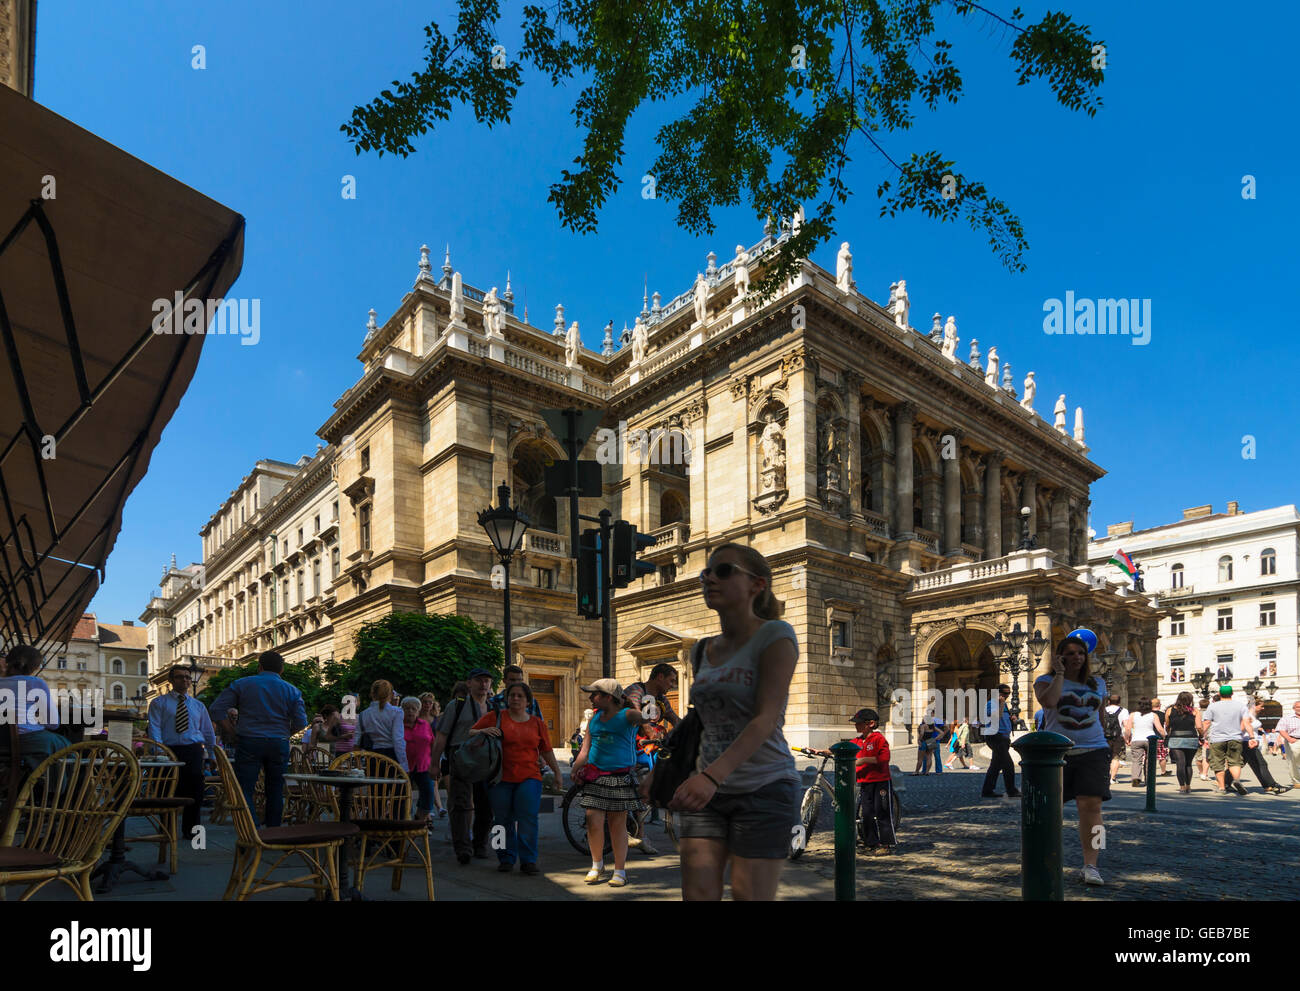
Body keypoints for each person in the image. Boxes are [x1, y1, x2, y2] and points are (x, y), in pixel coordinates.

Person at [661, 542, 800, 902]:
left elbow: (766, 718)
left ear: (757, 584)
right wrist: (669, 768)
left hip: (764, 787)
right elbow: (700, 720)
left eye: (723, 571)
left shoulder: (776, 635)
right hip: (706, 791)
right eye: (706, 571)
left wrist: (711, 776)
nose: (709, 577)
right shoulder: (701, 649)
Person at [1033, 634, 1110, 886]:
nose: (1076, 657)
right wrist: (1059, 674)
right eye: (1070, 653)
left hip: (1094, 750)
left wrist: (1111, 743)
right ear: (1060, 657)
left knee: (1093, 809)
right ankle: (1043, 857)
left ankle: (1093, 864)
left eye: (1080, 653)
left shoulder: (1098, 683)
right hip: (1057, 753)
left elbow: (1099, 715)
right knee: (1049, 809)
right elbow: (1050, 702)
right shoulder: (1044, 681)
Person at [470, 682, 562, 874]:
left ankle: (528, 860)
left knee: (528, 818)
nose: (515, 698)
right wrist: (483, 731)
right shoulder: (495, 717)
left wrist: (557, 773)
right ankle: (504, 857)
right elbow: (470, 732)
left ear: (528, 701)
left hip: (529, 777)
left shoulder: (537, 723)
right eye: (512, 695)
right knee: (500, 820)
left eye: (520, 696)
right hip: (499, 778)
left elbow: (546, 750)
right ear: (507, 698)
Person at [209, 651, 308, 827]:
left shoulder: (242, 684)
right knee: (276, 789)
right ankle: (273, 830)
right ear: (282, 669)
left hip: (249, 740)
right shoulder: (292, 690)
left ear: (259, 667)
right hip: (278, 742)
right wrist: (286, 733)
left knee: (245, 788)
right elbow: (301, 722)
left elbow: (216, 709)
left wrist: (232, 731)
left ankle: (252, 827)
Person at [571, 679, 648, 887]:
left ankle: (620, 870)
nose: (590, 697)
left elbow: (649, 718)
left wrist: (648, 703)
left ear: (608, 697)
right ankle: (597, 865)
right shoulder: (595, 718)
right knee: (592, 822)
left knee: (617, 825)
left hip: (619, 777)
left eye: (594, 694)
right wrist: (575, 767)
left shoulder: (627, 715)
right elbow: (585, 749)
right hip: (595, 777)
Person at [430, 669, 495, 864]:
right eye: (478, 681)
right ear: (469, 684)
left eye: (486, 681)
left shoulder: (493, 708)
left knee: (487, 805)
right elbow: (442, 735)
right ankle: (463, 848)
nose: (483, 684)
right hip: (460, 757)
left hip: (485, 760)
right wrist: (435, 764)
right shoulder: (456, 705)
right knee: (461, 804)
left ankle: (480, 844)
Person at [147, 664, 216, 840]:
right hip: (168, 751)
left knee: (195, 791)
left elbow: (208, 731)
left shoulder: (198, 705)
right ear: (171, 680)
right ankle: (166, 829)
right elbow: (154, 728)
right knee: (166, 790)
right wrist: (159, 751)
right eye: (179, 677)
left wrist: (212, 753)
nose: (185, 680)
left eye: (187, 677)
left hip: (192, 751)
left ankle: (192, 832)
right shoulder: (159, 703)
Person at [0, 644, 69, 764]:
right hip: (26, 741)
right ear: (34, 667)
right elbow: (53, 723)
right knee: (66, 747)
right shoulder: (35, 683)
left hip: (3, 742)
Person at [850, 708, 895, 855]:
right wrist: (822, 751)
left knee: (882, 812)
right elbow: (841, 749)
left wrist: (863, 760)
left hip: (881, 781)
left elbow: (884, 758)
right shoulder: (857, 741)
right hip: (865, 782)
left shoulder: (878, 739)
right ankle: (871, 842)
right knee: (867, 814)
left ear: (870, 723)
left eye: (859, 723)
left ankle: (886, 844)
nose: (856, 726)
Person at [1197, 685, 1252, 797]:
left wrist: (1202, 736)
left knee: (1218, 763)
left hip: (1217, 739)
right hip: (1235, 738)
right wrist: (1252, 737)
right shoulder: (1241, 706)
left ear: (1219, 694)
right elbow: (1246, 722)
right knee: (1235, 761)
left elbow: (1206, 723)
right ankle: (1236, 780)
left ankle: (1222, 787)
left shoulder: (1212, 707)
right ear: (1232, 694)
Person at [1241, 696, 1289, 795]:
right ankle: (1274, 786)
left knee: (1246, 764)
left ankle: (1266, 785)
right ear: (1254, 705)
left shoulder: (1252, 715)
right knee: (1262, 764)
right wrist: (1249, 738)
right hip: (1247, 742)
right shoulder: (1248, 715)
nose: (1263, 708)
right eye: (1261, 706)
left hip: (1249, 742)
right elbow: (1241, 729)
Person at [357, 679, 407, 770]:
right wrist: (404, 764)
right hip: (391, 756)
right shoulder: (396, 712)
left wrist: (357, 764)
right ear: (390, 694)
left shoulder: (363, 714)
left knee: (375, 783)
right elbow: (398, 740)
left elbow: (356, 741)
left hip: (371, 756)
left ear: (372, 694)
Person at [980, 685, 1020, 798]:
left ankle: (987, 791)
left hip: (1003, 737)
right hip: (995, 737)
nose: (1006, 696)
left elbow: (1003, 718)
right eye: (1004, 693)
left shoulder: (1004, 705)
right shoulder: (991, 704)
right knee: (1008, 765)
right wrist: (1001, 703)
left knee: (995, 766)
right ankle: (1011, 790)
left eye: (1008, 693)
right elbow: (996, 717)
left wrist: (1012, 719)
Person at [402, 697, 435, 820]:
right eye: (407, 708)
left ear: (418, 711)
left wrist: (435, 762)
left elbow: (432, 742)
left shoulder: (425, 724)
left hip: (424, 764)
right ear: (402, 710)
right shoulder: (398, 725)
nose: (410, 711)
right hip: (404, 766)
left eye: (413, 709)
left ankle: (419, 819)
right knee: (403, 796)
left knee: (428, 794)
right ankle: (405, 821)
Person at [1163, 691, 1200, 794]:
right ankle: (1188, 786)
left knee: (1180, 763)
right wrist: (1201, 736)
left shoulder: (1170, 710)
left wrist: (1169, 732)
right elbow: (1199, 726)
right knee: (1188, 764)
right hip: (1191, 738)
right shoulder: (1194, 711)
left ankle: (1182, 787)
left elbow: (1167, 725)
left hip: (1175, 738)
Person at [1124, 699, 1164, 787]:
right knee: (1150, 760)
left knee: (1136, 760)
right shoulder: (1153, 715)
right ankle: (1149, 780)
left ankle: (1136, 778)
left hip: (1136, 739)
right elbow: (1160, 728)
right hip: (1150, 739)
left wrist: (1127, 738)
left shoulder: (1133, 715)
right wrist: (1165, 736)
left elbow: (1127, 729)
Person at [418, 694, 446, 816]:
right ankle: (438, 807)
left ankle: (430, 808)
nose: (427, 705)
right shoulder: (416, 717)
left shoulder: (436, 718)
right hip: (421, 753)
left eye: (430, 702)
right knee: (430, 782)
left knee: (435, 781)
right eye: (425, 702)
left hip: (435, 752)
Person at [1102, 694, 1129, 785]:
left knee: (1104, 757)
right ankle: (1112, 778)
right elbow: (1126, 726)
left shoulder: (1103, 710)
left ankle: (1104, 776)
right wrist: (1127, 738)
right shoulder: (1123, 711)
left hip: (1104, 737)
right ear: (1119, 702)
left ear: (1109, 701)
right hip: (1117, 737)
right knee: (1115, 757)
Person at [1277, 701, 1300, 787]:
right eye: (1297, 707)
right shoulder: (1287, 718)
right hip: (1293, 741)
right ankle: (1296, 781)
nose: (1299, 708)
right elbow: (1281, 729)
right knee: (1293, 761)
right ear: (1294, 708)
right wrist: (1289, 739)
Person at [1151, 697, 1171, 776]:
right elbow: (1166, 725)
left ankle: (1150, 771)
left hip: (1149, 736)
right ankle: (1163, 771)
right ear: (1159, 705)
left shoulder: (1147, 714)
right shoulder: (1163, 714)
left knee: (1149, 756)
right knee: (1162, 755)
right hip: (1159, 736)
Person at [1196, 697, 1212, 780]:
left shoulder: (1196, 713)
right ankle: (1204, 774)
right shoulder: (1210, 713)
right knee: (1206, 756)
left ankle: (1201, 772)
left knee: (1198, 756)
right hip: (1207, 736)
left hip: (1197, 736)